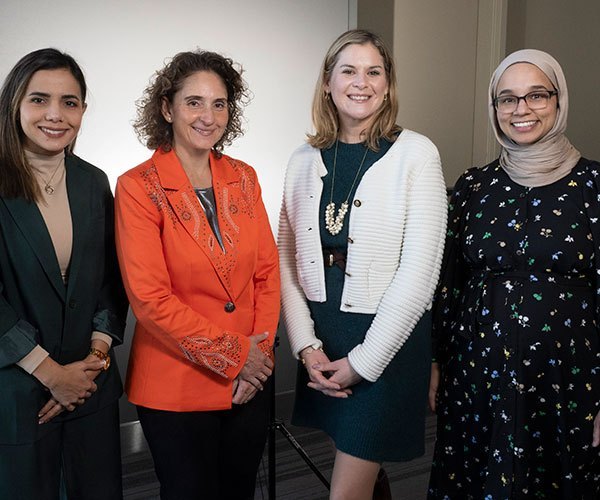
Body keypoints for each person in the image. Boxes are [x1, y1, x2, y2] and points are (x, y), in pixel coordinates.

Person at [278, 29, 447, 499]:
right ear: (328, 82)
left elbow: (420, 275)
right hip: (325, 334)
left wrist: (364, 363)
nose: (362, 82)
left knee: (346, 490)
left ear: (388, 84)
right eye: (348, 71)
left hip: (386, 341)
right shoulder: (302, 158)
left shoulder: (417, 153)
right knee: (357, 467)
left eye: (374, 72)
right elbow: (285, 262)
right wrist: (306, 348)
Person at [428, 49, 600, 498]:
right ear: (495, 108)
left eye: (536, 95)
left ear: (559, 101)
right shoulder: (472, 187)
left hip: (569, 381)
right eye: (507, 99)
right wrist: (435, 363)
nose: (521, 110)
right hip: (476, 375)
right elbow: (450, 285)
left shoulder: (595, 187)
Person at [114, 49, 280, 499]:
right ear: (167, 108)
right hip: (175, 385)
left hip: (250, 383)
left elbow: (266, 274)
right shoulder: (137, 186)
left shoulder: (244, 177)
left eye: (220, 103)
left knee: (239, 491)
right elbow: (150, 299)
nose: (208, 116)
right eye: (194, 102)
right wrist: (234, 356)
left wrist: (257, 361)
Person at [0, 48, 128, 499]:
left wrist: (96, 356)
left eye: (69, 102)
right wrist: (50, 372)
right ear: (14, 103)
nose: (55, 115)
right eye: (39, 100)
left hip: (89, 385)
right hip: (17, 390)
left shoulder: (93, 181)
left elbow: (113, 279)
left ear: (83, 111)